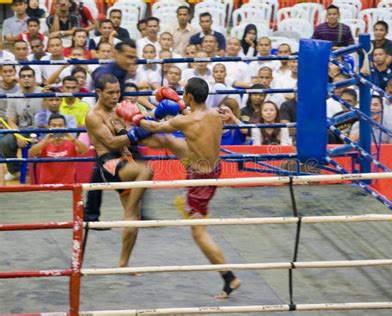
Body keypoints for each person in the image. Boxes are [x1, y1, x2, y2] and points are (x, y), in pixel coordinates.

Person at [131, 78, 241, 299]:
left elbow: (153, 126)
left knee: (198, 233)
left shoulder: (186, 120)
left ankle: (229, 278)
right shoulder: (217, 113)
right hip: (211, 166)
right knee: (168, 141)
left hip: (201, 177)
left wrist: (135, 116)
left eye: (184, 95)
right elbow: (234, 122)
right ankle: (128, 141)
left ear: (189, 96)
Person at [85, 74, 154, 267]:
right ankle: (129, 211)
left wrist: (151, 120)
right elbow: (111, 142)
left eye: (117, 92)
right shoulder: (93, 116)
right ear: (98, 92)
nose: (115, 96)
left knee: (134, 220)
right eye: (110, 92)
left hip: (125, 160)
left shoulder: (119, 111)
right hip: (109, 164)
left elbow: (129, 137)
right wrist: (135, 132)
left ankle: (123, 263)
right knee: (146, 171)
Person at [0, 66, 42, 180]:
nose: (26, 79)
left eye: (29, 76)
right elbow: (11, 121)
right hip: (22, 131)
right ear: (19, 79)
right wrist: (18, 135)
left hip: (41, 130)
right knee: (5, 142)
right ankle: (15, 171)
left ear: (34, 78)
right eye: (23, 76)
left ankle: (44, 170)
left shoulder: (43, 93)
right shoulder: (14, 97)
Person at [29, 113, 88, 184]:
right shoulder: (44, 142)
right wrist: (45, 141)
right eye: (54, 125)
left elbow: (85, 150)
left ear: (65, 126)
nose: (57, 128)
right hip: (47, 185)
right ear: (49, 127)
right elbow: (31, 153)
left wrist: (72, 139)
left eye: (60, 125)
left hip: (67, 185)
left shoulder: (71, 142)